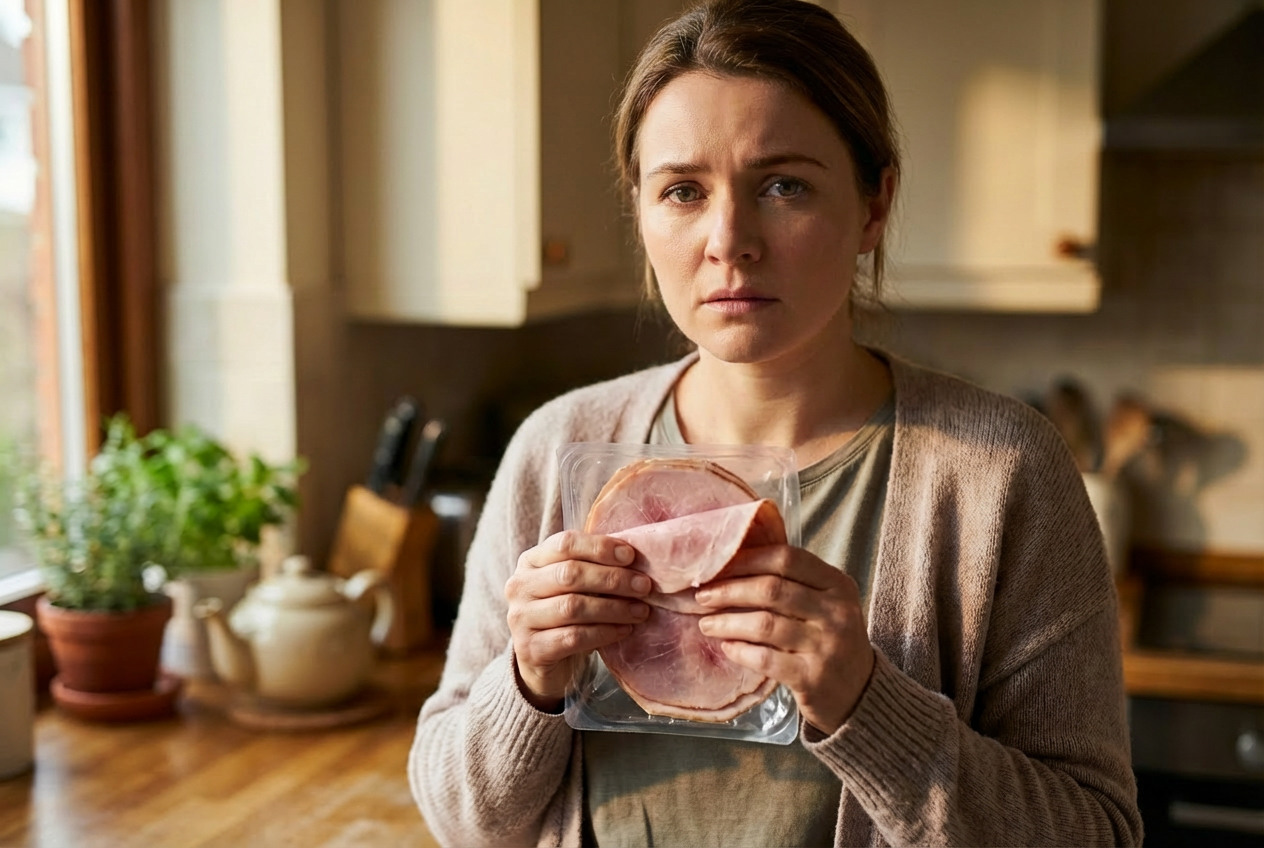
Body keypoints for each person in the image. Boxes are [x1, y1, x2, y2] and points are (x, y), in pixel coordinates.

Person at [408, 1, 1143, 845]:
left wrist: (869, 706)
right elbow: (460, 817)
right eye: (683, 190)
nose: (729, 240)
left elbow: (1097, 832)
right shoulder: (556, 448)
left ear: (875, 207)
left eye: (784, 185)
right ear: (641, 214)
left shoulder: (1001, 473)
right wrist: (529, 680)